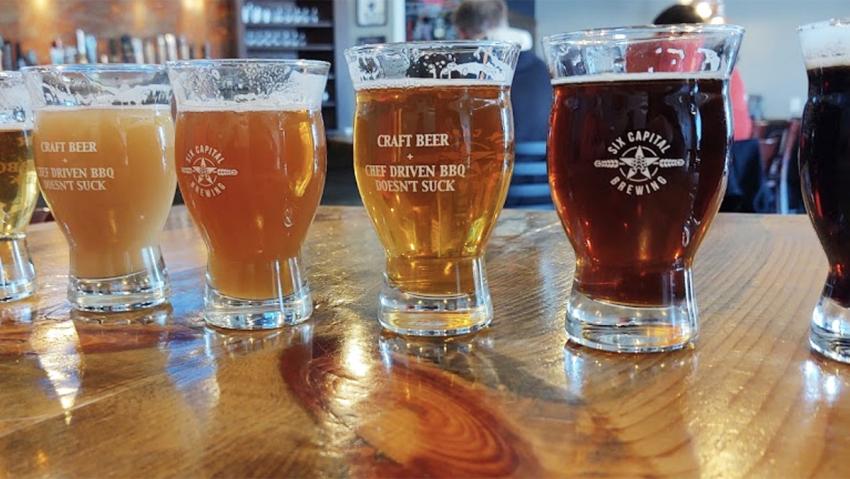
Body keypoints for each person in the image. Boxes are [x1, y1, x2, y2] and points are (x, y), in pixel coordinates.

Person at [452, 0, 552, 143]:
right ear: (503, 21)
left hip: (495, 158)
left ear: (462, 34)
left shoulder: (468, 72)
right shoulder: (543, 68)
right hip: (545, 160)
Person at [653, 4, 754, 140]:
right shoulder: (721, 63)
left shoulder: (677, 53)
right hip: (741, 142)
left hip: (719, 142)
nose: (654, 38)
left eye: (658, 32)